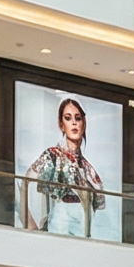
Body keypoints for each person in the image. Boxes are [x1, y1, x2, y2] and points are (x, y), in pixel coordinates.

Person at [24, 96, 105, 237]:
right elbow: (24, 183)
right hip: (60, 225)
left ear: (83, 124)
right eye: (68, 118)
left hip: (83, 229)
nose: (74, 123)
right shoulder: (52, 156)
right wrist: (31, 227)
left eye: (78, 118)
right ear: (61, 125)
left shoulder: (88, 169)